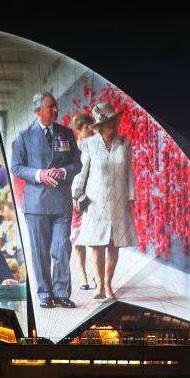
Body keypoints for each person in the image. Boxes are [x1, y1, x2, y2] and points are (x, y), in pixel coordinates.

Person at [10, 92, 81, 308]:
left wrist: (62, 170)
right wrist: (39, 174)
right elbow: (16, 167)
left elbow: (77, 164)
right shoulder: (24, 136)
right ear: (38, 110)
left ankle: (61, 292)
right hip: (36, 204)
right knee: (40, 251)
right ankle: (44, 293)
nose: (56, 110)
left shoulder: (66, 133)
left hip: (61, 202)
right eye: (50, 107)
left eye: (56, 106)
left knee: (61, 248)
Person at [71, 102, 139, 300]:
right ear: (100, 125)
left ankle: (108, 285)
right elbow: (82, 172)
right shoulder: (90, 144)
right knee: (96, 244)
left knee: (114, 244)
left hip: (118, 200)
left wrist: (131, 198)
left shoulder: (125, 143)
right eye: (108, 121)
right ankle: (99, 285)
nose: (113, 124)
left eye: (113, 120)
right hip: (95, 201)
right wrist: (76, 194)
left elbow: (129, 173)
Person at [69, 112, 96, 290]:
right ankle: (84, 277)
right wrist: (73, 196)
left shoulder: (95, 146)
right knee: (78, 239)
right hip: (75, 197)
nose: (91, 130)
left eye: (91, 126)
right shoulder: (74, 149)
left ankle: (96, 275)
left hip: (93, 196)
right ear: (79, 130)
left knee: (95, 237)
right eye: (87, 127)